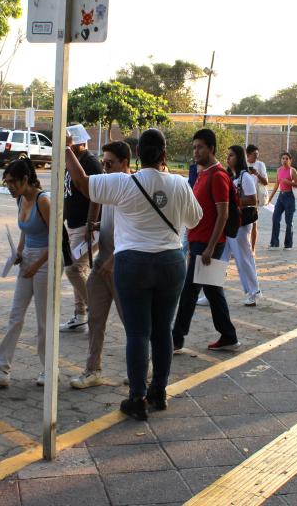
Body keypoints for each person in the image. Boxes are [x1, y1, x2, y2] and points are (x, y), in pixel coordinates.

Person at [64, 128, 202, 420]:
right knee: (162, 330)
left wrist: (67, 150)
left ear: (137, 154)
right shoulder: (179, 183)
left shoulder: (123, 183)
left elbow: (82, 182)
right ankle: (159, 393)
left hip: (133, 263)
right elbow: (195, 219)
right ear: (164, 154)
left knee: (138, 332)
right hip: (170, 262)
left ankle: (137, 398)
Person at [0, 159, 56, 387]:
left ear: (25, 179)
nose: (9, 187)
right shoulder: (21, 198)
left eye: (12, 182)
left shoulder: (43, 201)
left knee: (43, 320)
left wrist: (37, 264)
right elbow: (25, 230)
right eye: (6, 182)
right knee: (15, 315)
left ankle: (49, 370)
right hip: (29, 257)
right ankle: (0, 369)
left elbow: (56, 239)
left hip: (46, 259)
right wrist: (19, 253)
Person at [172, 129, 240, 352]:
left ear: (211, 148)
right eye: (194, 147)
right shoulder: (203, 173)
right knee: (212, 290)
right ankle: (228, 335)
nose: (196, 151)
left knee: (189, 291)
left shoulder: (218, 176)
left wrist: (210, 247)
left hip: (208, 244)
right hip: (199, 241)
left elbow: (223, 214)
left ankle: (176, 338)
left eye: (200, 147)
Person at [70, 141, 130, 389]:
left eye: (110, 164)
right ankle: (93, 369)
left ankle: (142, 364)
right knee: (95, 319)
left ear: (124, 163)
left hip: (121, 267)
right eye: (103, 163)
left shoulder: (131, 189)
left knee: (130, 321)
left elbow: (134, 234)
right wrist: (92, 224)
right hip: (101, 264)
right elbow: (94, 196)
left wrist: (115, 259)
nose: (105, 169)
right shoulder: (107, 184)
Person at [60, 135, 103, 332]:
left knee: (73, 269)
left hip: (85, 227)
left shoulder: (90, 162)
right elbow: (68, 192)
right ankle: (80, 315)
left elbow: (97, 195)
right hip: (73, 225)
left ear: (78, 142)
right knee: (79, 270)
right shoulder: (72, 160)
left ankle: (96, 309)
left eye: (69, 141)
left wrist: (91, 224)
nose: (66, 144)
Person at [225, 145, 261, 306]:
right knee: (220, 258)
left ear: (239, 158)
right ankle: (212, 291)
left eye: (231, 155)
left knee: (243, 258)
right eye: (227, 155)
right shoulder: (230, 175)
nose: (228, 158)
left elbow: (253, 199)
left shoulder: (245, 177)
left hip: (240, 223)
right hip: (228, 221)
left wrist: (233, 202)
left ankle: (253, 292)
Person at [269, 152, 297, 250]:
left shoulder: (293, 170)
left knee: (288, 221)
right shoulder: (279, 170)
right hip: (281, 197)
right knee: (275, 218)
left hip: (290, 197)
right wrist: (270, 198)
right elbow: (276, 184)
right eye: (283, 158)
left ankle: (288, 244)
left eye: (287, 158)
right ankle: (274, 243)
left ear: (290, 160)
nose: (284, 160)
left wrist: (288, 182)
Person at [245, 145, 269, 252]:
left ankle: (253, 249)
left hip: (254, 198)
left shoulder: (260, 164)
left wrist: (256, 174)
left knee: (254, 223)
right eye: (254, 154)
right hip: (243, 197)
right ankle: (244, 247)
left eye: (257, 154)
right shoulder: (243, 164)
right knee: (243, 223)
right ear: (248, 154)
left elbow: (266, 182)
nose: (256, 156)